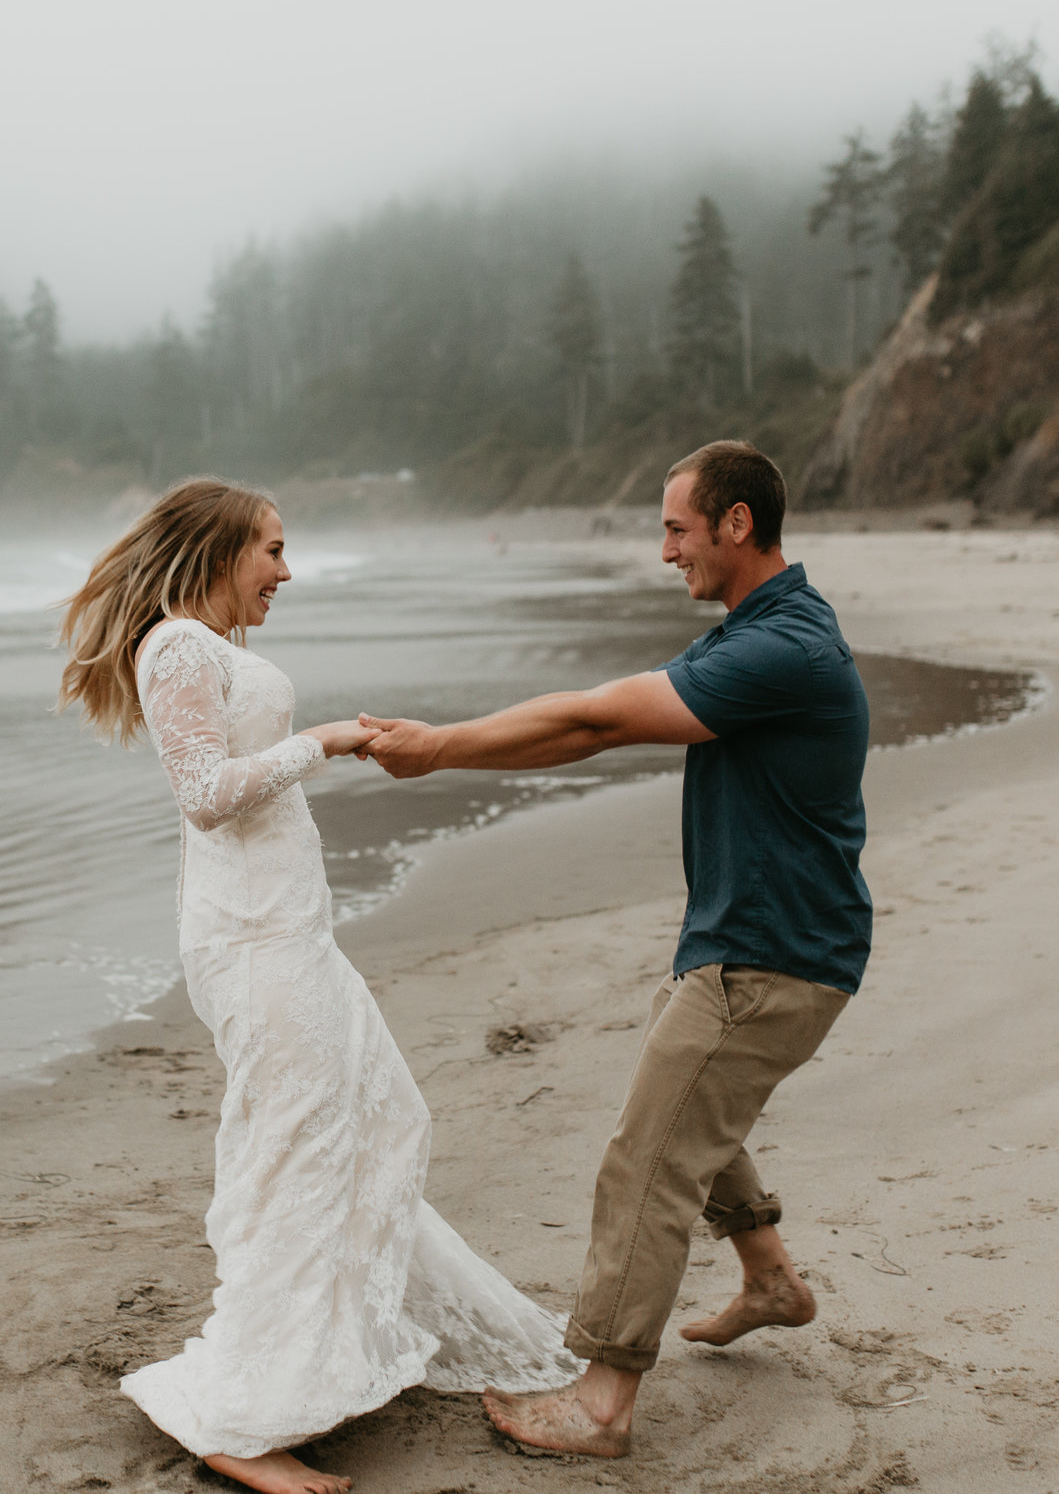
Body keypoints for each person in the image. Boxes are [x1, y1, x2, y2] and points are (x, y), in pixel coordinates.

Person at [58, 477, 582, 1494]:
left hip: (291, 929)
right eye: (272, 551)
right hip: (251, 942)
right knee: (292, 1145)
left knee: (381, 1120)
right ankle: (243, 1416)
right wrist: (327, 740)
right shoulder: (173, 646)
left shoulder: (211, 647)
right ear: (218, 550)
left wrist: (319, 744)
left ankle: (344, 1339)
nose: (285, 572)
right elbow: (205, 795)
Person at [358, 440, 870, 1460]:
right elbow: (591, 733)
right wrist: (444, 750)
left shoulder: (780, 652)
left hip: (770, 954)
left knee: (646, 1161)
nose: (664, 551)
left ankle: (601, 1403)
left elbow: (595, 717)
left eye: (676, 528)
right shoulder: (765, 633)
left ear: (735, 524)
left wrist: (440, 742)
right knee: (690, 1107)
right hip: (765, 939)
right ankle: (769, 1276)